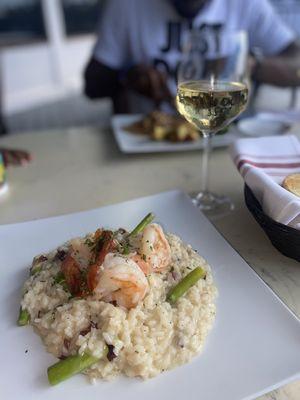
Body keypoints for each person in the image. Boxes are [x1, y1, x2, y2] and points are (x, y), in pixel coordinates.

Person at [84, 0, 300, 113]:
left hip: (226, 142)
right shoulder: (127, 5)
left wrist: (250, 66)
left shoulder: (246, 3)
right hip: (147, 139)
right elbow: (92, 85)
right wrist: (127, 76)